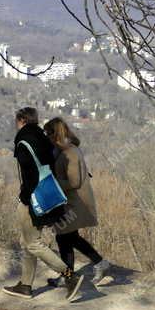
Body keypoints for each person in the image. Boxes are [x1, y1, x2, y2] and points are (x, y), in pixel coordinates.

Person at [2, 107, 83, 302]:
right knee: (28, 241)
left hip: (33, 199)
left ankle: (69, 276)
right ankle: (25, 285)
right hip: (49, 194)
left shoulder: (23, 142)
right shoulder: (43, 137)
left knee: (33, 243)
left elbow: (29, 176)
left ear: (21, 120)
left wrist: (26, 198)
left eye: (17, 121)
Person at [43, 117, 111, 285]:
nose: (46, 136)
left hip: (75, 202)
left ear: (55, 134)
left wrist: (52, 184)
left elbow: (74, 182)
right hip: (68, 201)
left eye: (48, 133)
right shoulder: (61, 149)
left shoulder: (71, 152)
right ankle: (88, 267)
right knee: (68, 237)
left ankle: (71, 275)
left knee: (65, 236)